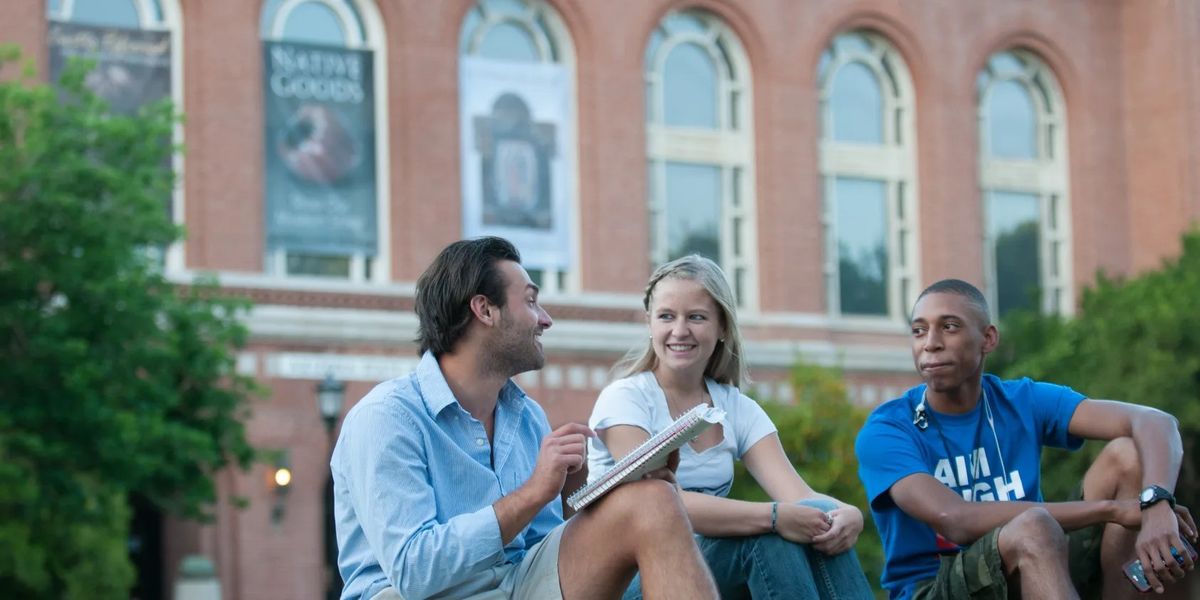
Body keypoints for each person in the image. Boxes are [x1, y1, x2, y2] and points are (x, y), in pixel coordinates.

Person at [331, 237, 718, 600]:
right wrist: (533, 492)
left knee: (653, 500)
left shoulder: (527, 415)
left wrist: (599, 495)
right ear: (484, 310)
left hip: (515, 584)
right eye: (531, 302)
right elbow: (415, 571)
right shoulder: (386, 417)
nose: (545, 319)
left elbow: (543, 547)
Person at [855, 278, 1199, 599]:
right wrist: (1113, 510)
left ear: (988, 338)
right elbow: (954, 520)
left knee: (1129, 456)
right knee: (1034, 526)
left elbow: (1156, 422)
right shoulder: (889, 428)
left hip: (1039, 562)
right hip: (936, 587)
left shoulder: (1020, 400)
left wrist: (1156, 504)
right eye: (918, 331)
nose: (930, 343)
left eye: (949, 326)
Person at [587, 254, 873, 599]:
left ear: (722, 326)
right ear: (650, 323)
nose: (680, 331)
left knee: (823, 518)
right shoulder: (625, 399)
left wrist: (849, 515)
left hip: (700, 566)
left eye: (696, 317)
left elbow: (800, 498)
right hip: (625, 575)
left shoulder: (737, 408)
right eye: (666, 316)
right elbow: (663, 504)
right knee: (766, 540)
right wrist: (772, 517)